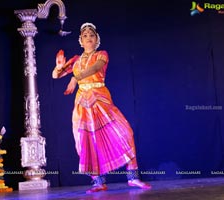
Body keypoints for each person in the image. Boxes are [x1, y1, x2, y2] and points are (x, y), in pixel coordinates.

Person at [52, 22, 151, 193]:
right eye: (85, 35)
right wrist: (59, 67)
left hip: (100, 99)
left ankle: (133, 177)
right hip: (82, 104)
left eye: (92, 35)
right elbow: (55, 75)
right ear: (80, 41)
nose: (88, 37)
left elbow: (96, 68)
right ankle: (98, 181)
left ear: (97, 39)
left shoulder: (101, 55)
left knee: (125, 132)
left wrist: (77, 76)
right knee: (87, 141)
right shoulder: (75, 60)